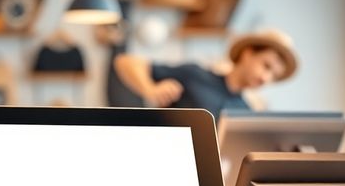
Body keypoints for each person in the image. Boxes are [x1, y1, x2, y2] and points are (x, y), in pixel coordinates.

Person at [113, 29, 298, 119]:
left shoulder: (246, 113)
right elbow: (125, 62)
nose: (266, 79)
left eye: (274, 76)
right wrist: (150, 89)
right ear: (247, 54)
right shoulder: (194, 75)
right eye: (266, 66)